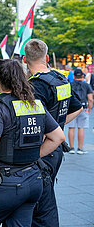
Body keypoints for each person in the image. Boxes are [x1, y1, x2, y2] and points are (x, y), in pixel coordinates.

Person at [0, 59, 65, 227]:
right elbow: (58, 137)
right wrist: (33, 155)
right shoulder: (34, 103)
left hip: (4, 185)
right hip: (33, 181)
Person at [23, 39, 82, 227]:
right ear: (47, 57)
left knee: (40, 206)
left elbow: (35, 122)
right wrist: (57, 126)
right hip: (56, 149)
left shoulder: (34, 86)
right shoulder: (60, 78)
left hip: (42, 151)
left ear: (24, 59)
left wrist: (51, 129)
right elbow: (78, 107)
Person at [67, 68, 93, 154]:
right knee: (81, 128)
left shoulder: (69, 84)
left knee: (71, 128)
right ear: (82, 76)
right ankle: (80, 148)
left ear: (74, 76)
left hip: (72, 109)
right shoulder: (86, 85)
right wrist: (89, 108)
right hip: (83, 107)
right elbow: (90, 99)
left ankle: (71, 148)